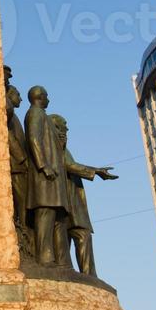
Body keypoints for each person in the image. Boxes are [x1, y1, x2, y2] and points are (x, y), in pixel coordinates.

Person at [50, 114, 118, 277]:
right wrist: (96, 171)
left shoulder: (61, 146)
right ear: (56, 127)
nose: (67, 128)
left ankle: (81, 274)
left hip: (69, 199)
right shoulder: (55, 146)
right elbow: (69, 165)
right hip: (68, 200)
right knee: (82, 234)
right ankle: (88, 275)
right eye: (63, 125)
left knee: (71, 236)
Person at [24, 86, 71, 267]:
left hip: (53, 177)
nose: (48, 99)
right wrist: (44, 166)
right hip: (44, 176)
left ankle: (62, 261)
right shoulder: (35, 114)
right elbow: (34, 139)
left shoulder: (43, 116)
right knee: (45, 215)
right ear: (40, 97)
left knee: (57, 218)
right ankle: (44, 257)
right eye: (46, 96)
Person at [6, 84, 33, 258]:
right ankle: (23, 234)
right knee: (22, 202)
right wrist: (22, 158)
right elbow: (7, 135)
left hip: (18, 165)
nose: (20, 99)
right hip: (16, 166)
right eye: (18, 94)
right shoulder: (7, 109)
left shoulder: (14, 116)